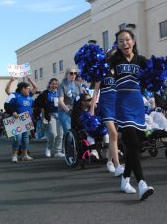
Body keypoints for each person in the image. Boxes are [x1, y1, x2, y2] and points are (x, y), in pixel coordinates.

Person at [109, 29, 154, 200]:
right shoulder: (114, 60)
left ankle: (125, 180)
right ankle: (142, 183)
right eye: (120, 41)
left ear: (133, 41)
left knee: (135, 146)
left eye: (127, 40)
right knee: (133, 144)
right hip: (122, 104)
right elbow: (102, 74)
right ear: (118, 45)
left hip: (137, 105)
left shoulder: (141, 60)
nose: (124, 43)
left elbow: (152, 77)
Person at [90, 48, 124, 176]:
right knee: (113, 134)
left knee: (115, 136)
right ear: (109, 58)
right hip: (106, 105)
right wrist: (92, 109)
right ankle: (118, 165)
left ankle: (109, 161)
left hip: (117, 105)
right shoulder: (101, 73)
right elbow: (95, 93)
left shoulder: (119, 73)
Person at [4, 78, 38, 163]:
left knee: (25, 138)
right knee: (17, 138)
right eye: (27, 88)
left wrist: (30, 80)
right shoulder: (14, 95)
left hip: (27, 119)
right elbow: (7, 105)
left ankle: (25, 155)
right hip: (17, 119)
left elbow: (36, 88)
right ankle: (14, 155)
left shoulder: (29, 96)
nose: (29, 90)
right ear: (23, 89)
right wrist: (13, 112)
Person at [35, 78, 64, 158]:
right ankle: (49, 147)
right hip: (51, 115)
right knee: (52, 133)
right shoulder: (45, 93)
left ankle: (58, 151)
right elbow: (41, 105)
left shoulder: (60, 92)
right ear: (49, 84)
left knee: (60, 134)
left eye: (56, 84)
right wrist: (43, 116)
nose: (54, 85)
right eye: (53, 83)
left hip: (60, 114)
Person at [58, 68, 83, 134]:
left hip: (75, 110)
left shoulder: (78, 85)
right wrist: (67, 110)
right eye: (71, 73)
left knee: (77, 131)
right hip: (64, 111)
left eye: (75, 73)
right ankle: (68, 143)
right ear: (67, 75)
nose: (73, 75)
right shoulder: (62, 85)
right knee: (69, 131)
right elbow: (60, 100)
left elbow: (82, 98)